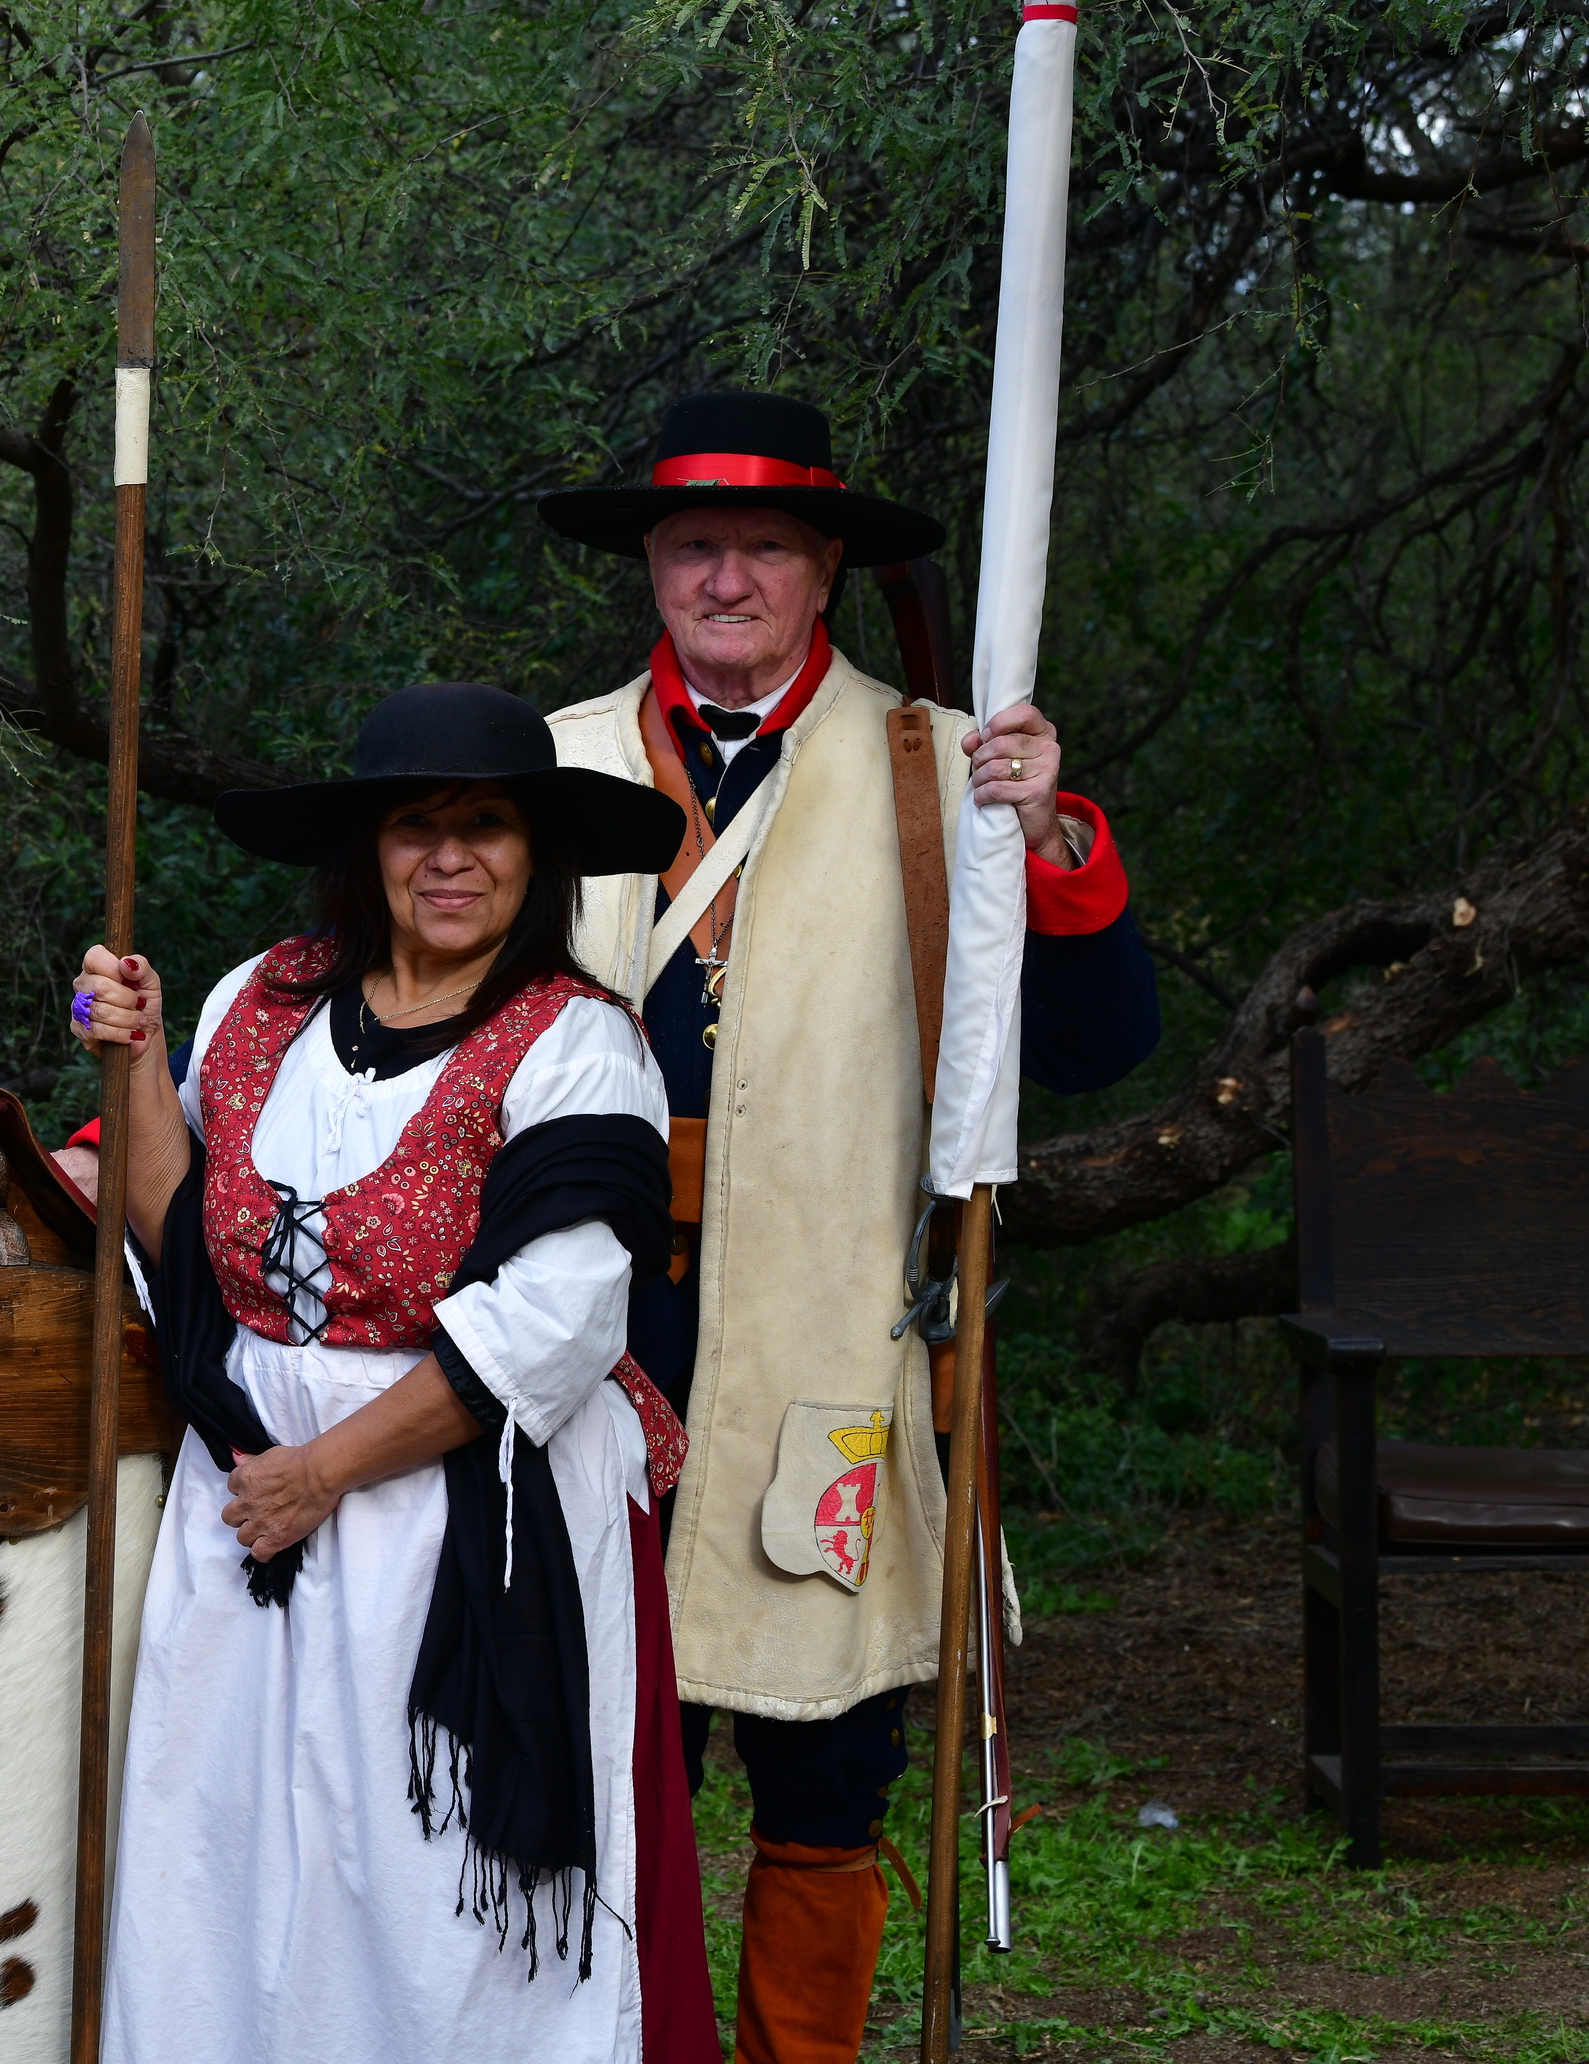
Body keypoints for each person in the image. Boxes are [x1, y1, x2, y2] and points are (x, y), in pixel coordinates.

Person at [536, 390, 1160, 2064]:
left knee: (827, 1759)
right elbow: (397, 1000)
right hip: (584, 1335)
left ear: (823, 568)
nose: (725, 578)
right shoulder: (549, 765)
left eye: (763, 546)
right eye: (693, 545)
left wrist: (1048, 835)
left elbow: (1098, 1046)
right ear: (651, 567)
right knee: (600, 1751)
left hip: (833, 1330)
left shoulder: (943, 766)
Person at [72, 682, 718, 2062]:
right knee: (226, 1854)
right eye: (417, 825)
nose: (450, 857)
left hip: (462, 1511)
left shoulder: (579, 1041)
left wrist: (321, 1475)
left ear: (536, 853)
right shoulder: (259, 1000)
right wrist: (133, 1061)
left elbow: (555, 1324)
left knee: (423, 1907)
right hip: (249, 1498)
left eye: (486, 826)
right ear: (367, 848)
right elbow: (186, 1241)